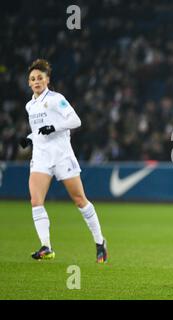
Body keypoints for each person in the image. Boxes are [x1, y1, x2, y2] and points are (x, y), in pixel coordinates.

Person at [19, 59, 108, 262]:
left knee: (79, 200)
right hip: (41, 157)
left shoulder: (56, 99)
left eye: (40, 77)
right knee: (35, 200)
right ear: (28, 83)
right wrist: (29, 138)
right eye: (33, 79)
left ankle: (99, 241)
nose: (36, 81)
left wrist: (54, 127)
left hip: (61, 155)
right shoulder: (30, 106)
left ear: (47, 80)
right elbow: (38, 131)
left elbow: (75, 120)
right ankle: (46, 246)